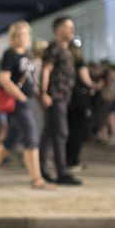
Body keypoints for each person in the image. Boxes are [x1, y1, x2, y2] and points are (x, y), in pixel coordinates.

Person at [0, 21, 53, 189]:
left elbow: (30, 80)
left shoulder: (25, 55)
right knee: (32, 137)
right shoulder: (10, 54)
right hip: (18, 103)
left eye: (25, 34)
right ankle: (37, 179)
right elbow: (4, 79)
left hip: (27, 99)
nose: (22, 38)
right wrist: (20, 96)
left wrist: (40, 95)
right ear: (13, 37)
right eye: (18, 35)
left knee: (10, 140)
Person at [39, 17, 81, 185]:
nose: (72, 30)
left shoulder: (67, 49)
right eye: (67, 27)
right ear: (58, 30)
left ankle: (42, 169)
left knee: (49, 133)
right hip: (55, 97)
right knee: (60, 133)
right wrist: (44, 93)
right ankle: (61, 172)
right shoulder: (54, 47)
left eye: (72, 26)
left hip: (62, 97)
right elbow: (46, 70)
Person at [65, 45, 100, 169]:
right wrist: (96, 85)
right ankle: (74, 160)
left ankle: (67, 159)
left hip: (68, 99)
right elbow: (87, 81)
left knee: (69, 130)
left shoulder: (65, 63)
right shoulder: (80, 64)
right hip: (80, 99)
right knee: (78, 131)